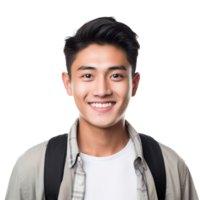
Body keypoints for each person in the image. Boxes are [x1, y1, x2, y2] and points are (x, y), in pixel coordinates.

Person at [3, 16, 199, 200]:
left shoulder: (171, 167)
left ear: (135, 84)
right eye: (88, 76)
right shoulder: (30, 168)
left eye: (115, 76)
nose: (102, 90)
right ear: (67, 83)